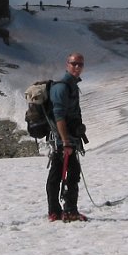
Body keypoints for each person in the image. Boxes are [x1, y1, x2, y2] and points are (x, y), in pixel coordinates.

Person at [46, 53, 89, 222]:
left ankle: (55, 211)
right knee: (69, 174)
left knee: (59, 174)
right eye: (74, 64)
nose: (77, 67)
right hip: (62, 141)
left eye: (80, 64)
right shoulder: (63, 87)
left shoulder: (70, 86)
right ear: (67, 64)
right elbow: (59, 117)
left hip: (67, 139)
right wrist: (65, 142)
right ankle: (68, 211)